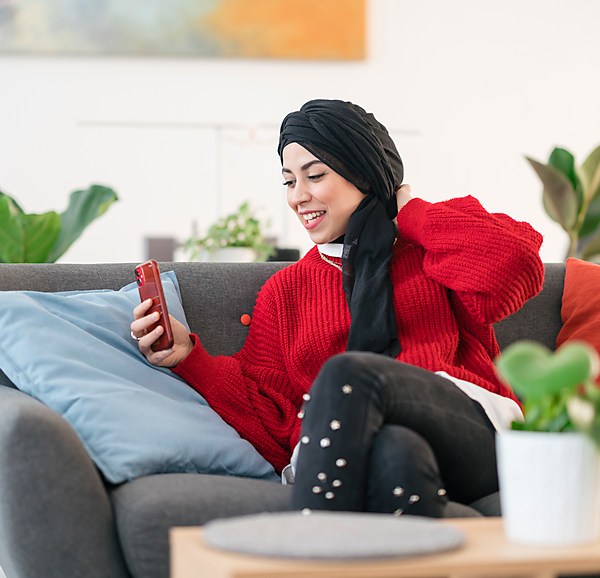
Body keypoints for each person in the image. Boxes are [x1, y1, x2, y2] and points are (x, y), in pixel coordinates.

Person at [130, 99, 544, 517]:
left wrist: (409, 215)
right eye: (289, 182)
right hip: (372, 449)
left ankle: (312, 542)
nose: (298, 197)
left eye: (314, 176)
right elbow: (273, 423)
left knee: (349, 372)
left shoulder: (431, 241)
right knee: (395, 451)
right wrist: (188, 357)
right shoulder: (285, 291)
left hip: (469, 435)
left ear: (362, 172)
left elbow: (516, 265)